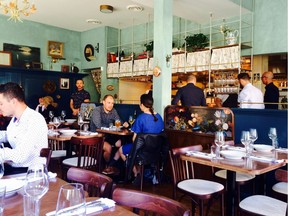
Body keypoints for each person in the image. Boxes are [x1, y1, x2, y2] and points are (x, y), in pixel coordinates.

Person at [103, 94, 164, 181]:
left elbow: (134, 139)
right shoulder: (159, 117)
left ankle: (136, 173)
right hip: (156, 150)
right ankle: (112, 166)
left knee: (121, 150)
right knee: (125, 148)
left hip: (143, 150)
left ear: (142, 105)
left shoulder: (141, 118)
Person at [0, 82, 48, 175]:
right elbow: (9, 134)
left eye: (1, 104)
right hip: (15, 170)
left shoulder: (34, 119)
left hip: (31, 174)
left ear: (13, 102)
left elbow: (20, 155)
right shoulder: (15, 119)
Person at [90, 94, 129, 164]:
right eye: (108, 103)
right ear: (103, 102)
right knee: (108, 148)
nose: (111, 105)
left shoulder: (113, 110)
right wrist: (112, 126)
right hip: (96, 136)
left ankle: (112, 163)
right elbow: (98, 125)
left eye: (112, 103)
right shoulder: (97, 110)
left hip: (108, 135)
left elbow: (118, 121)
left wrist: (123, 124)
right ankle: (106, 166)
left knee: (121, 143)